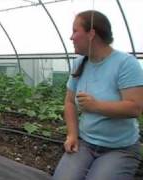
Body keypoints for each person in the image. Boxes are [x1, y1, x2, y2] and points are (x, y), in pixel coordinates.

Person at [53, 10, 143, 180]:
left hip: (119, 149)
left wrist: (96, 106)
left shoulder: (125, 64)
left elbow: (135, 108)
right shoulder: (80, 63)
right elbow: (70, 102)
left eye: (75, 31)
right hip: (85, 144)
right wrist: (72, 134)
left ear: (91, 34)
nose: (71, 38)